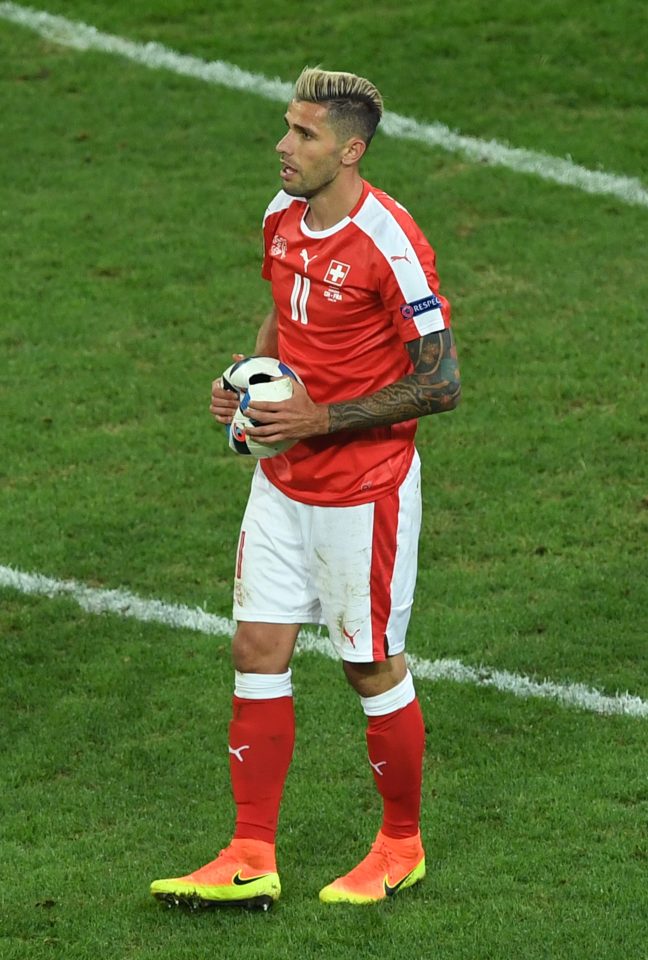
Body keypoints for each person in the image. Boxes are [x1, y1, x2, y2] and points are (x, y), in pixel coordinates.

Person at [151, 66, 460, 910]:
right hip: (281, 483)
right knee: (256, 651)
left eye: (305, 134)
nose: (284, 146)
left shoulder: (391, 243)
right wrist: (249, 382)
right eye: (287, 128)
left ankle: (402, 845)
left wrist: (322, 420)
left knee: (368, 665)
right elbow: (282, 317)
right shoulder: (281, 217)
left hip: (365, 492)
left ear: (350, 150)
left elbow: (442, 384)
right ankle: (251, 852)